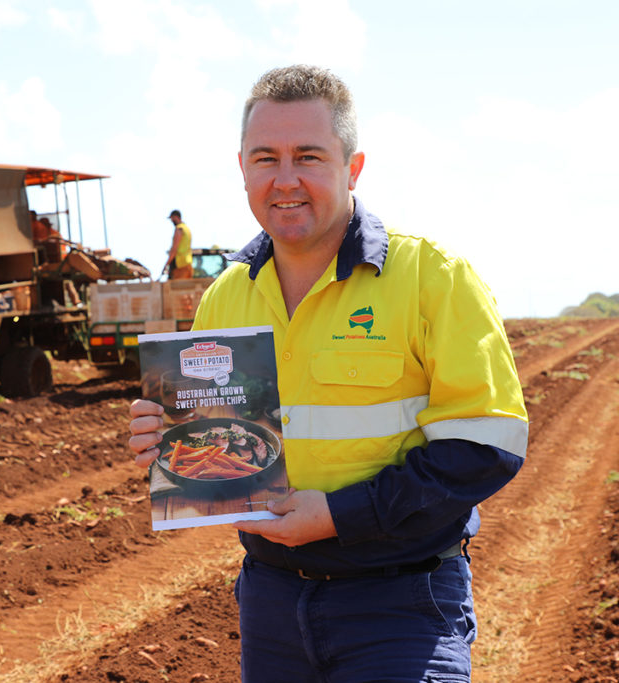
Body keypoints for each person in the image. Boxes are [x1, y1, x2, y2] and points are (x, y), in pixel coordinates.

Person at [128, 65, 528, 682]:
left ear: (353, 167)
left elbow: (486, 448)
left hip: (402, 608)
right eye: (266, 158)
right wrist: (165, 436)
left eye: (308, 156)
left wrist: (341, 515)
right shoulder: (225, 296)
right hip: (270, 603)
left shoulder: (433, 278)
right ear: (242, 169)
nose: (285, 180)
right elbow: (218, 441)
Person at [162, 209, 193, 279]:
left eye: (172, 218)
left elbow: (174, 249)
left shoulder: (179, 229)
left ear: (176, 217)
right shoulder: (186, 229)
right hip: (188, 264)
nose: (171, 220)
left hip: (180, 265)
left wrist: (167, 264)